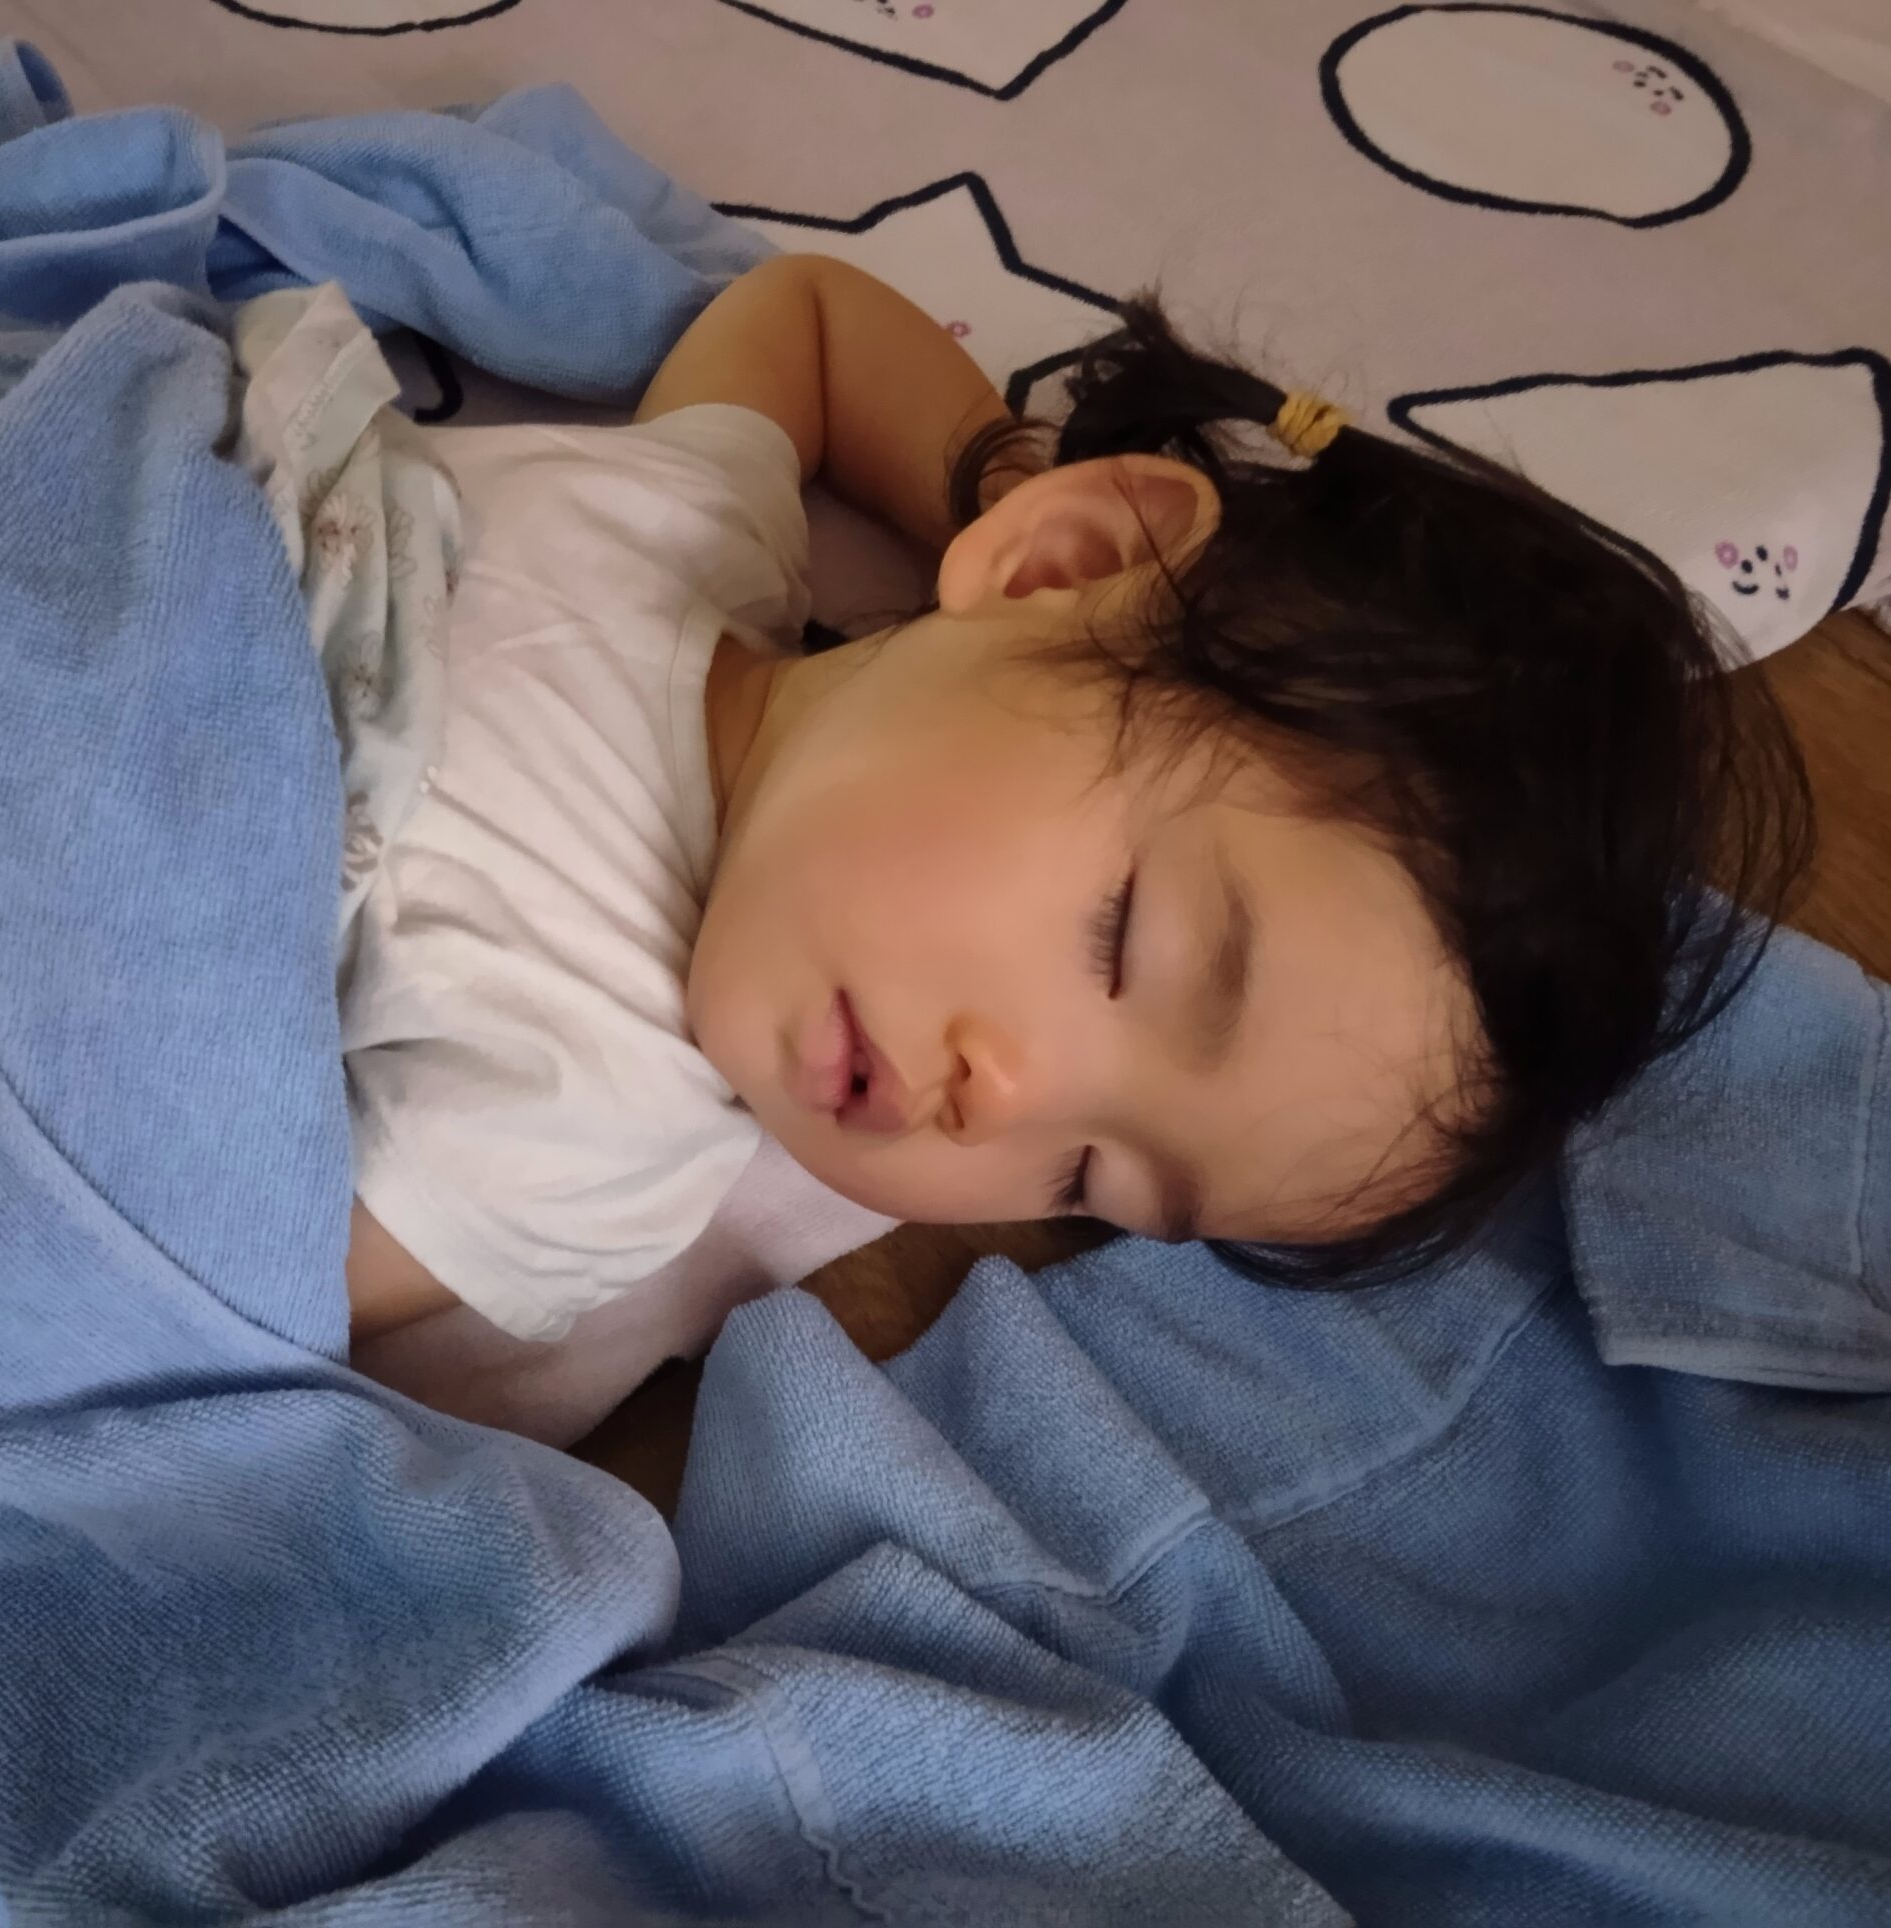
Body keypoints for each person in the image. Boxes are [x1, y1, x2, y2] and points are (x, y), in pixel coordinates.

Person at [329, 253, 1812, 1342]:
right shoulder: (694, 523)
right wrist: (1011, 514)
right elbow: (814, 319)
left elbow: (221, 1268)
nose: (1003, 1106)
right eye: (1123, 943)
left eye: (1088, 1179)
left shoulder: (583, 1131)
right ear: (1070, 564)